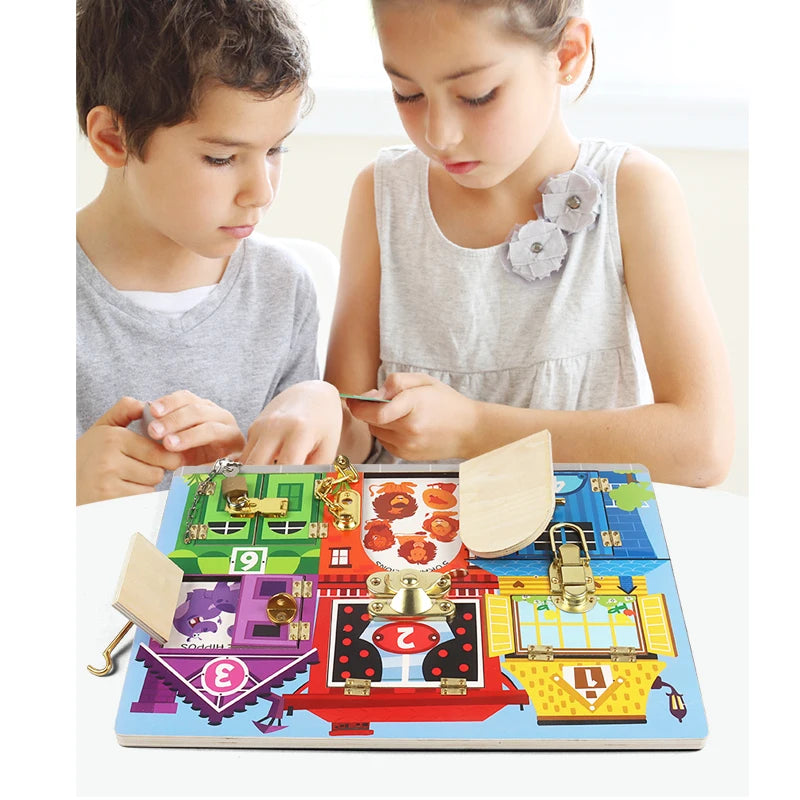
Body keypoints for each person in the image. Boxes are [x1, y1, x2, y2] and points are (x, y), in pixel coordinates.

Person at [325, 0, 734, 487]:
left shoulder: (634, 191)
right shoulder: (382, 193)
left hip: (577, 528)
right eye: (407, 93)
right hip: (411, 530)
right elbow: (350, 441)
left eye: (477, 96)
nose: (439, 134)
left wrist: (475, 429)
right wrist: (316, 412)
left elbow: (702, 447)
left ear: (567, 54)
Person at [76, 0, 342, 505]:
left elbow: (289, 509)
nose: (261, 192)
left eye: (275, 149)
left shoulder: (283, 290)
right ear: (113, 138)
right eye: (221, 158)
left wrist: (243, 469)